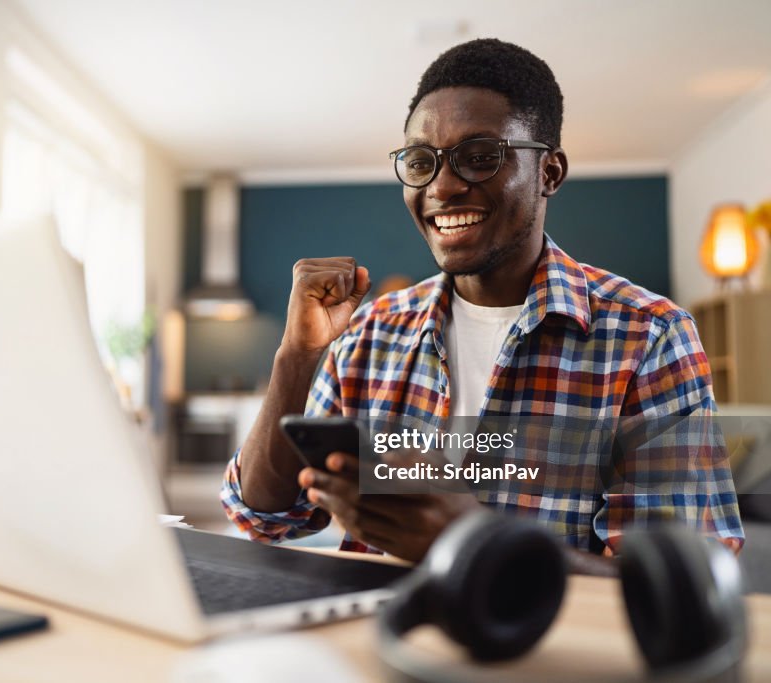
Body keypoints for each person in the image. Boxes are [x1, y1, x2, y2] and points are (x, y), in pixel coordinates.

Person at [220, 38, 743, 574]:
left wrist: (471, 541)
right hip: (377, 643)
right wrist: (297, 355)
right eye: (421, 162)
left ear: (550, 173)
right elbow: (265, 516)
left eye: (479, 158)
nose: (442, 187)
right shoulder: (371, 332)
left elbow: (674, 582)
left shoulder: (650, 337)